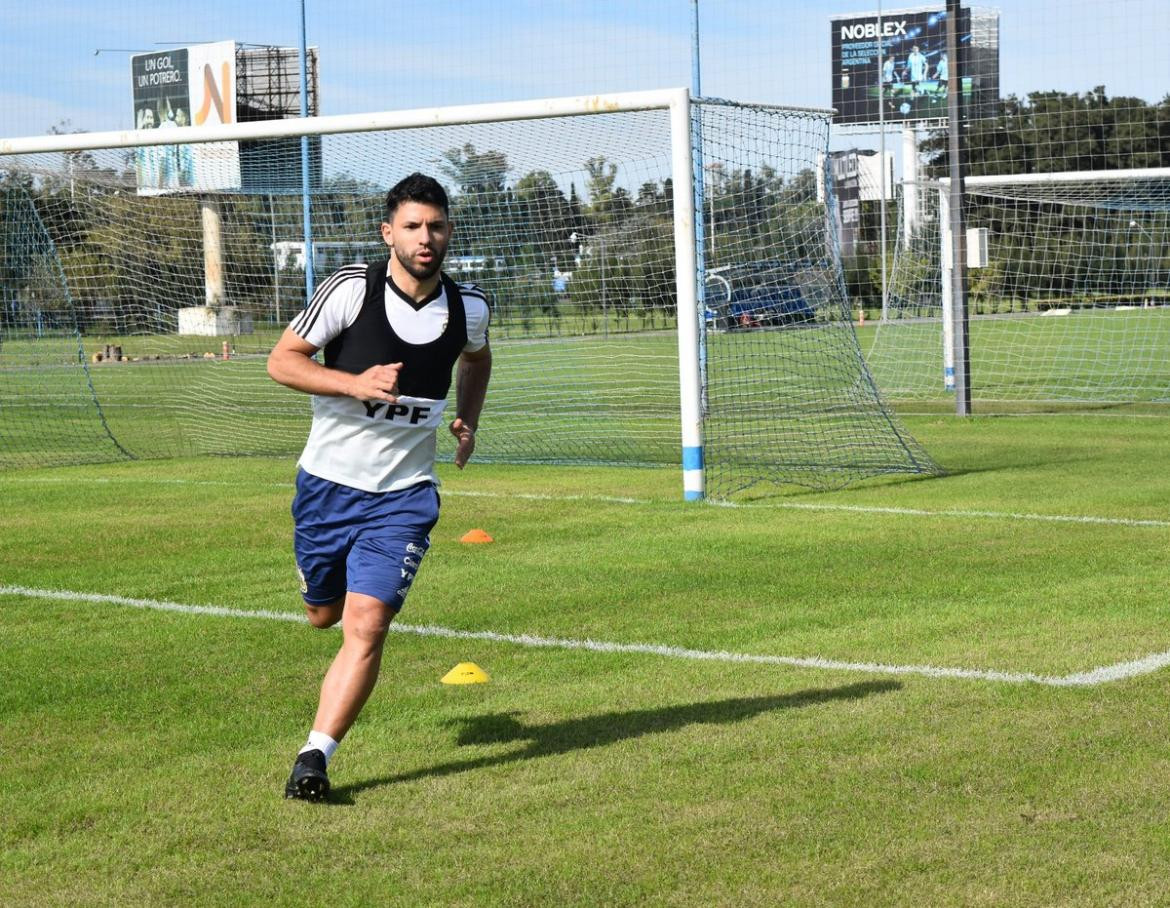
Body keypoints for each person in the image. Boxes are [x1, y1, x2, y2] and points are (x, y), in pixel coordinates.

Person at [267, 172, 492, 801]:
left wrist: (468, 418)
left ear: (449, 232)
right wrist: (354, 384)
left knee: (366, 626)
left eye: (437, 226)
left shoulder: (469, 307)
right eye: (414, 226)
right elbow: (281, 361)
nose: (427, 238)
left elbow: (477, 358)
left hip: (405, 495)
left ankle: (314, 757)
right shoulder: (350, 290)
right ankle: (321, 591)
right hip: (328, 487)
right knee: (323, 615)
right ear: (388, 232)